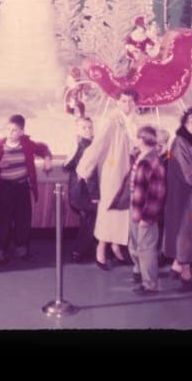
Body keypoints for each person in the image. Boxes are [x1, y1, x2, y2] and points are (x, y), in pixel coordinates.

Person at [76, 89, 139, 270]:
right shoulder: (111, 121)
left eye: (130, 102)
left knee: (123, 209)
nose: (127, 105)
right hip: (113, 170)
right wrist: (84, 167)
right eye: (124, 101)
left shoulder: (134, 121)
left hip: (128, 171)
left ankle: (116, 245)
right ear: (117, 102)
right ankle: (101, 249)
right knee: (109, 209)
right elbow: (98, 145)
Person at [0, 114, 53, 262]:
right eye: (8, 129)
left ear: (21, 132)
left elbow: (43, 148)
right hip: (5, 189)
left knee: (23, 220)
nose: (10, 133)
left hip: (22, 187)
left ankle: (21, 248)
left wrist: (47, 158)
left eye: (14, 130)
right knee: (4, 221)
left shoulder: (26, 144)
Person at [162, 110, 192, 289]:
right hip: (185, 193)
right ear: (185, 124)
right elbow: (187, 173)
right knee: (186, 229)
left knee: (189, 230)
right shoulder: (180, 142)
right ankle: (184, 266)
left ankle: (178, 265)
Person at [128, 125, 167, 295]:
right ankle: (141, 273)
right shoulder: (142, 157)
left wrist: (148, 216)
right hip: (136, 207)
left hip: (145, 212)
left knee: (147, 248)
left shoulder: (152, 162)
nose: (135, 140)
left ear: (142, 140)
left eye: (137, 137)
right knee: (135, 243)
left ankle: (150, 285)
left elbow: (157, 193)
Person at [63, 116, 98, 263]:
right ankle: (79, 251)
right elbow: (91, 175)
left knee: (86, 221)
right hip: (86, 193)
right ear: (77, 130)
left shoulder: (79, 145)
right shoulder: (88, 148)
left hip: (77, 193)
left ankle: (82, 249)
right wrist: (95, 195)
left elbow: (66, 166)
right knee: (89, 222)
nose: (88, 130)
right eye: (84, 127)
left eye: (90, 127)